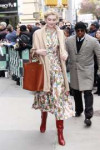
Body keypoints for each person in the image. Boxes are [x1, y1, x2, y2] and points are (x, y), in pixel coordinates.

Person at [30, 10, 74, 146]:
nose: (52, 22)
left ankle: (60, 133)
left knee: (59, 100)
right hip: (44, 69)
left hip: (57, 70)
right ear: (45, 20)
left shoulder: (60, 33)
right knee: (45, 97)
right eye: (49, 19)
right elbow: (32, 53)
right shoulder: (37, 33)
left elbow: (63, 49)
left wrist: (65, 54)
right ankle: (43, 119)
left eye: (54, 20)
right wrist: (37, 51)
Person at [66, 22, 100, 126]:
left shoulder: (93, 41)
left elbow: (99, 56)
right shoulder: (69, 40)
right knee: (76, 92)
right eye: (78, 31)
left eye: (82, 31)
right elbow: (65, 55)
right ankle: (78, 110)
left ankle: (88, 116)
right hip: (74, 70)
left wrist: (99, 71)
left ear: (85, 31)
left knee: (87, 93)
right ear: (75, 31)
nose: (80, 33)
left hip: (87, 71)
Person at [94, 29, 100, 95]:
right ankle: (98, 90)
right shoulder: (94, 41)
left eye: (98, 33)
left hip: (98, 59)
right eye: (97, 33)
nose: (97, 34)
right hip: (94, 61)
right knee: (97, 76)